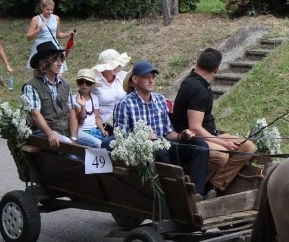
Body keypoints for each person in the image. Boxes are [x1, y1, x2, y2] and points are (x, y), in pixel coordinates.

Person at [108, 61, 213, 200]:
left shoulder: (160, 100)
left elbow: (169, 133)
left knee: (201, 146)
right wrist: (142, 137)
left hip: (163, 145)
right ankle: (177, 192)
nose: (151, 80)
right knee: (160, 150)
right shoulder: (124, 104)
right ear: (135, 79)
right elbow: (120, 137)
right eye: (146, 77)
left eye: (153, 76)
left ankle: (197, 193)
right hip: (143, 151)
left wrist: (183, 135)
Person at [171, 48, 256, 194]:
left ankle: (214, 186)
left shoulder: (196, 82)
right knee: (220, 156)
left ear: (198, 62)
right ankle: (192, 189)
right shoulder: (198, 89)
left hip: (210, 134)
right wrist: (224, 144)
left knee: (247, 147)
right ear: (217, 69)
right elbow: (195, 128)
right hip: (191, 138)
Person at [21, 41, 78, 147]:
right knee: (75, 154)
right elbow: (35, 114)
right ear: (45, 63)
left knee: (97, 144)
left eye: (60, 60)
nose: (60, 63)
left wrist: (74, 137)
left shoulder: (65, 84)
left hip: (65, 130)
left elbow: (72, 112)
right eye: (55, 60)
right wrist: (50, 133)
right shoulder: (31, 85)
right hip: (43, 132)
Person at [25, 0, 75, 73]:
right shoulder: (36, 19)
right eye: (47, 9)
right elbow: (28, 37)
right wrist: (38, 30)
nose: (50, 12)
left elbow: (58, 34)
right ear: (42, 7)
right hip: (41, 46)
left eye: (52, 10)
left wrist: (68, 34)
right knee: (43, 70)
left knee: (57, 70)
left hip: (53, 45)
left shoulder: (56, 18)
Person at [92, 49, 130, 131]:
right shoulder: (94, 81)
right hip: (103, 123)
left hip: (124, 120)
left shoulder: (124, 76)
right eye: (116, 64)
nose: (119, 66)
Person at [72, 68, 108, 148]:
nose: (84, 85)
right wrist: (83, 106)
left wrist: (102, 130)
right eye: (81, 82)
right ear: (78, 84)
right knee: (99, 144)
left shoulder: (94, 98)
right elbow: (80, 121)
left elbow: (97, 117)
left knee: (108, 143)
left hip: (94, 129)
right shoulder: (74, 99)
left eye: (88, 83)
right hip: (80, 130)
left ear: (92, 85)